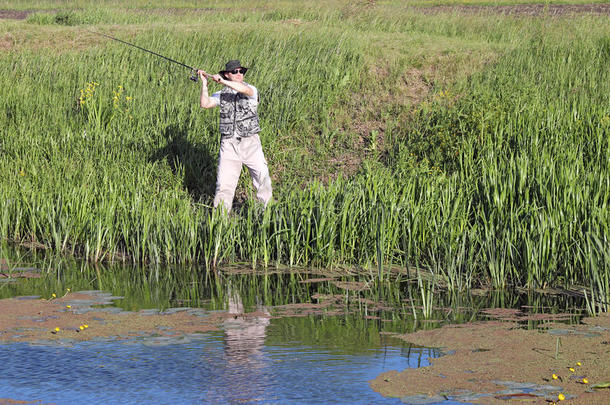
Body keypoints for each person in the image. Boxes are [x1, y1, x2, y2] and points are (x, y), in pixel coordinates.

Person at [198, 60, 272, 212]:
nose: (239, 74)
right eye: (235, 72)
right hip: (229, 145)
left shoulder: (250, 89)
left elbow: (243, 90)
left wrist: (223, 81)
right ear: (227, 74)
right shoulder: (221, 94)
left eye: (241, 72)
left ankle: (265, 213)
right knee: (224, 185)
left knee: (262, 180)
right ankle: (221, 220)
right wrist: (204, 84)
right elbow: (205, 104)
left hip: (250, 143)